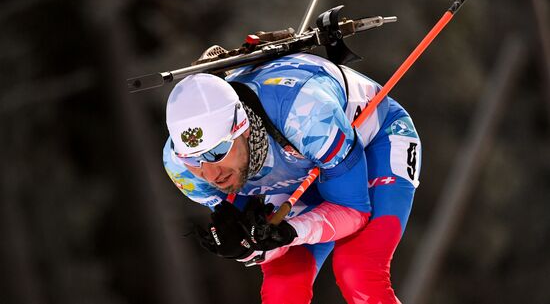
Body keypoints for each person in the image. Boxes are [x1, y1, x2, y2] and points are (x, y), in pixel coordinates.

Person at [163, 52, 421, 303]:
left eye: (218, 152)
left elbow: (353, 212)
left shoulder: (306, 115)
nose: (210, 173)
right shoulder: (181, 170)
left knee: (357, 272)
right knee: (282, 290)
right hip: (301, 167)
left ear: (243, 128)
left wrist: (291, 231)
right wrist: (248, 246)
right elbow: (257, 240)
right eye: (194, 159)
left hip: (375, 141)